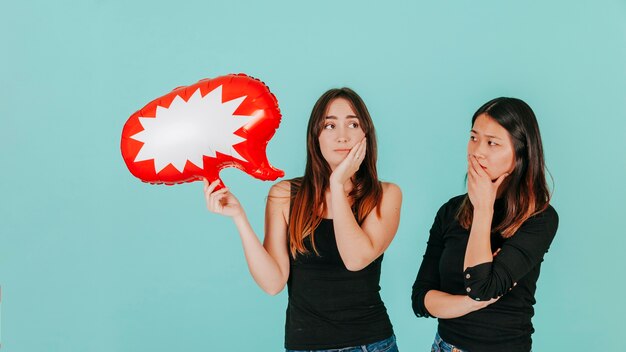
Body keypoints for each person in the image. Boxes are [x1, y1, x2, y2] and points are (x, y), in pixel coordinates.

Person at [204, 88, 402, 352]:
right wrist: (239, 218)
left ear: (365, 135)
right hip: (304, 345)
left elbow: (355, 259)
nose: (342, 136)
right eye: (329, 125)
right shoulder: (285, 195)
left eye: (353, 124)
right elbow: (273, 283)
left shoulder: (385, 195)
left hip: (370, 343)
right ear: (315, 137)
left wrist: (337, 182)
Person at [411, 97, 558, 352]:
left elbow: (480, 285)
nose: (477, 151)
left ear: (520, 153)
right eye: (474, 137)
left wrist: (483, 209)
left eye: (492, 143)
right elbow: (421, 299)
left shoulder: (539, 218)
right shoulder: (450, 211)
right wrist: (472, 302)